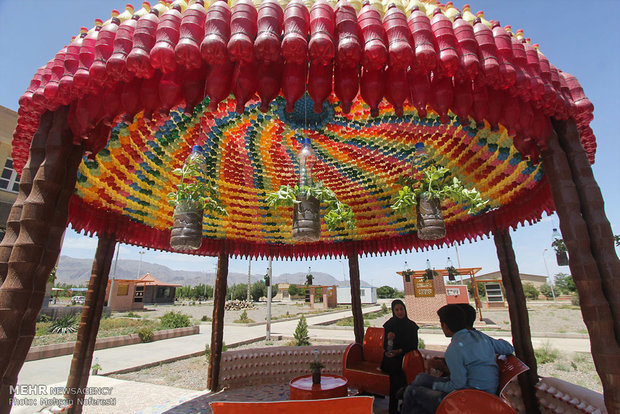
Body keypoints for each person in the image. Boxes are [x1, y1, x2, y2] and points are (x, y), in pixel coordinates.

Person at [402, 305, 514, 414]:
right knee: (421, 379)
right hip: (486, 393)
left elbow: (458, 385)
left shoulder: (454, 349)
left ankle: (408, 393)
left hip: (471, 399)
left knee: (411, 392)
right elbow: (508, 348)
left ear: (444, 325)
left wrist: (435, 386)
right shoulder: (480, 337)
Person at [381, 299, 419, 414]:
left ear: (405, 310)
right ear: (393, 311)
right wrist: (389, 340)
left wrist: (400, 351)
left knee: (397, 374)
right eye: (396, 310)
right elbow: (386, 347)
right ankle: (399, 406)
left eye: (401, 309)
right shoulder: (390, 324)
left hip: (406, 357)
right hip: (392, 358)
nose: (399, 312)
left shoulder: (411, 326)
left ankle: (395, 407)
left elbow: (414, 345)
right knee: (396, 371)